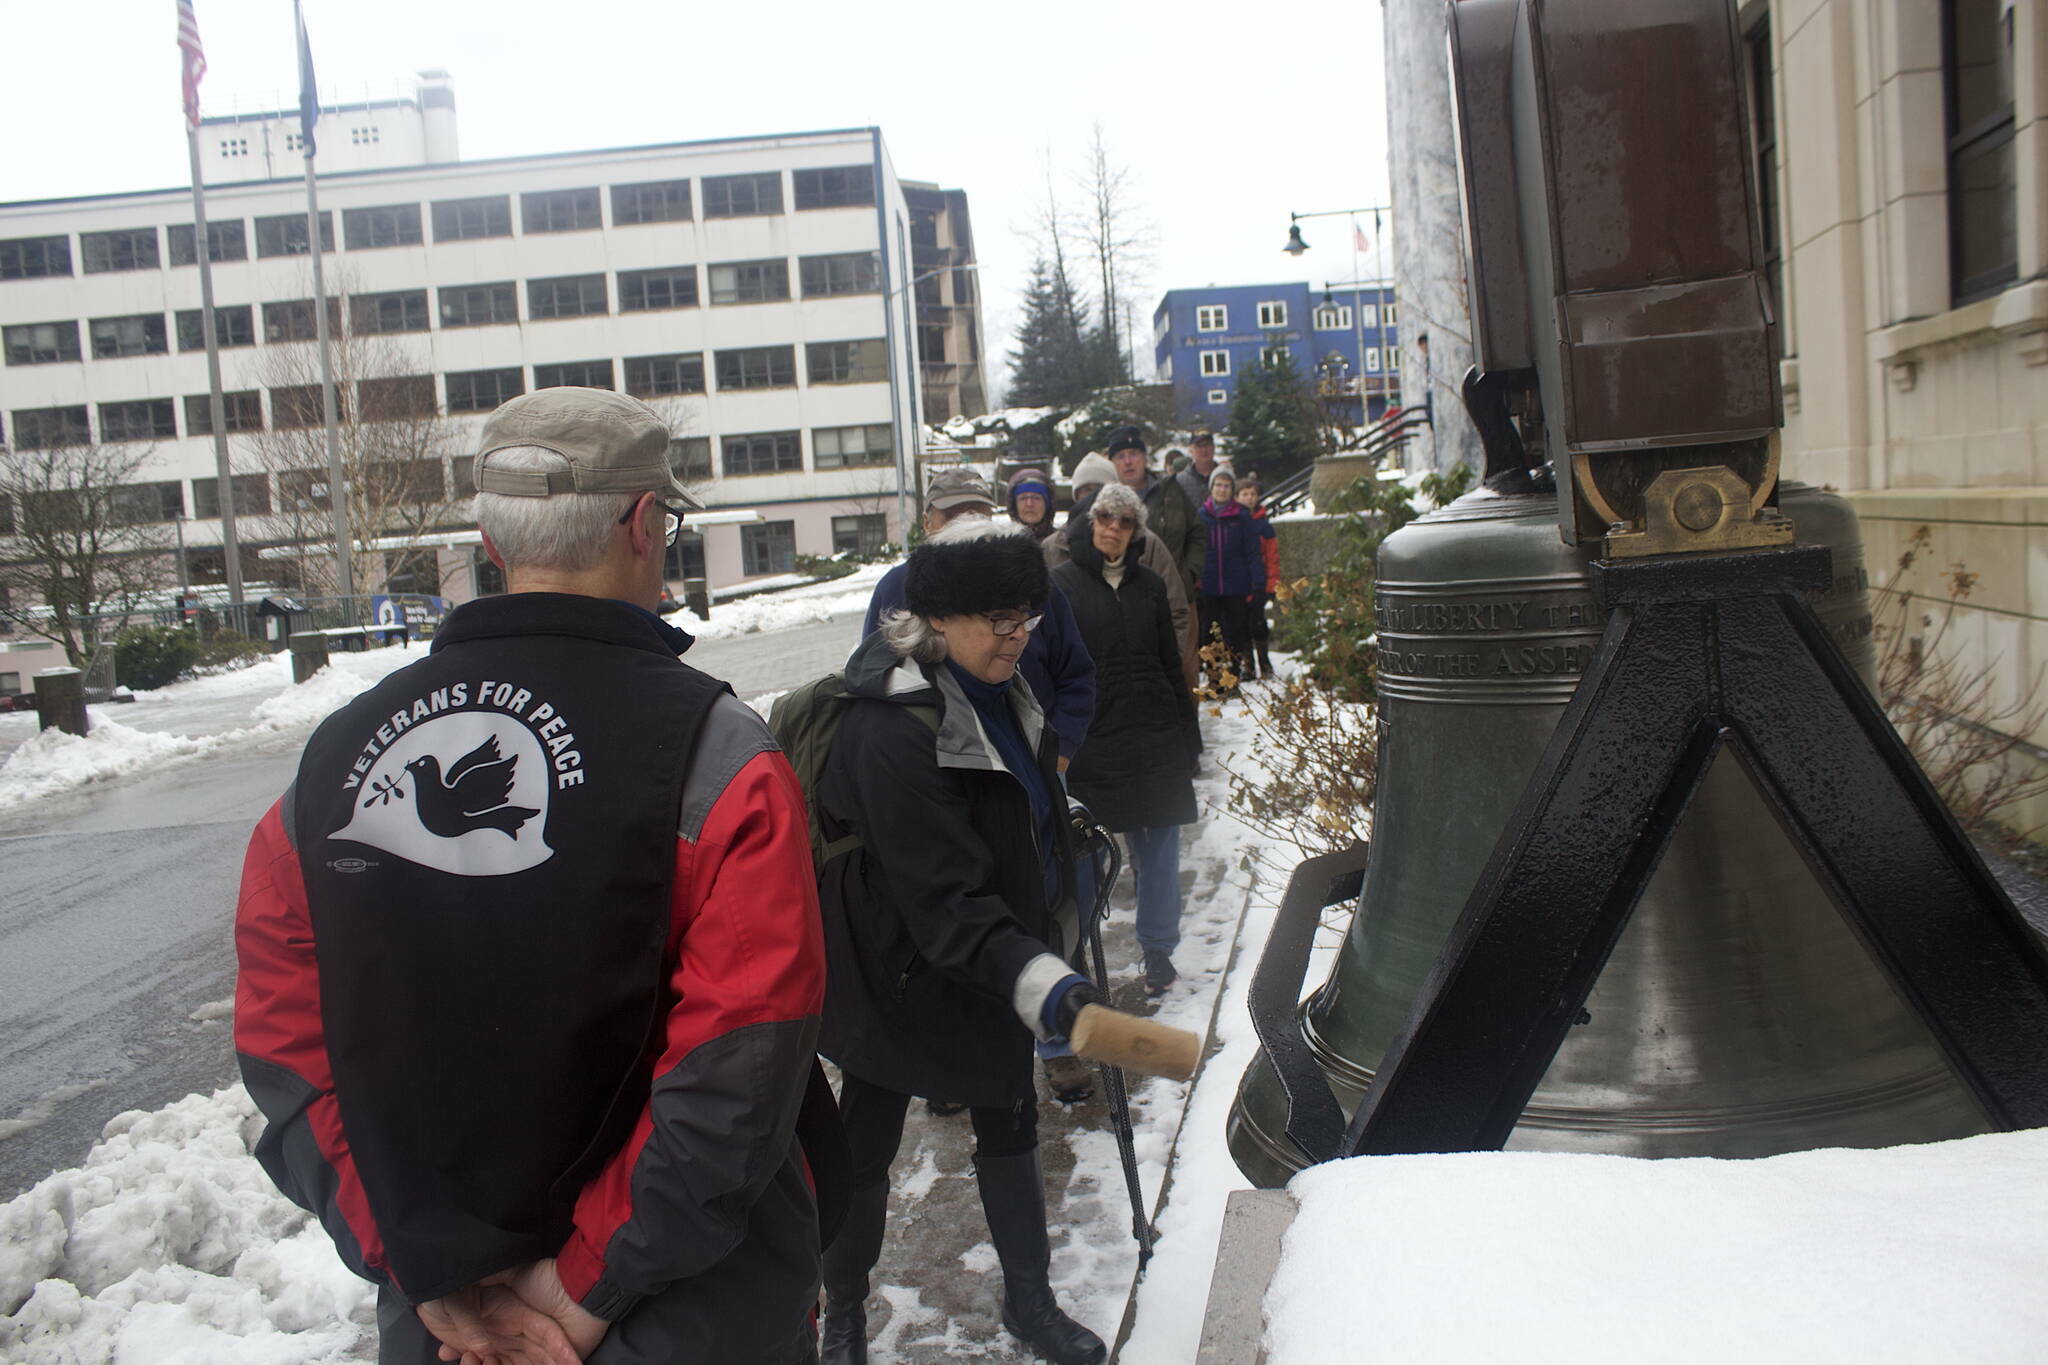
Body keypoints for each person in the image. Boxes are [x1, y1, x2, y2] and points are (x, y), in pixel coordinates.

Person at [234, 388, 832, 1364]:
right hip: (688, 1310)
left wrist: (423, 1269)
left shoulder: (327, 769)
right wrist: (587, 1280)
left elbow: (288, 1050)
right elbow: (743, 1062)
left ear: (492, 541)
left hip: (451, 1331)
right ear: (644, 524)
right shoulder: (718, 758)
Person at [816, 519, 1111, 1365]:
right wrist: (1043, 978)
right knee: (866, 1144)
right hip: (898, 967)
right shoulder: (890, 729)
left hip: (991, 951)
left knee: (1009, 1117)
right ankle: (843, 1313)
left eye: (1028, 619)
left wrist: (1063, 848)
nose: (1021, 638)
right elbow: (942, 897)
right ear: (938, 620)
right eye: (1001, 622)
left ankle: (1030, 1299)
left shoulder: (1000, 691)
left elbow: (1014, 808)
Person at [1050, 484, 1202, 996]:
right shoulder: (1061, 585)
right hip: (1092, 739)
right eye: (1106, 518)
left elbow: (1170, 664)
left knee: (1160, 850)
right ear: (1091, 521)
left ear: (1137, 532)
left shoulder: (1150, 585)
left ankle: (1158, 951)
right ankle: (1079, 953)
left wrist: (1188, 736)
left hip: (1154, 736)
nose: (1113, 528)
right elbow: (1052, 671)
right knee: (1086, 857)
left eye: (1125, 521)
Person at [866, 468, 1095, 775]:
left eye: (976, 514)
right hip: (942, 769)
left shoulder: (1032, 584)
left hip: (1032, 760)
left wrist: (1060, 749)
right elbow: (874, 680)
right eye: (953, 516)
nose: (965, 525)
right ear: (926, 522)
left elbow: (1076, 674)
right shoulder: (896, 587)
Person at [1051, 454, 1198, 691]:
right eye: (1085, 490)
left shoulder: (1149, 553)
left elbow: (1176, 613)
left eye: (1099, 489)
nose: (1114, 526)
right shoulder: (1054, 552)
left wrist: (1160, 675)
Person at [1105, 425, 1203, 597]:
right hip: (1124, 598)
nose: (1128, 461)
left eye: (1133, 454)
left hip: (1174, 594)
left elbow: (1197, 532)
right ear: (1112, 463)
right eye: (1120, 456)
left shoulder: (1171, 491)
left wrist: (1189, 574)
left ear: (1144, 458)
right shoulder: (1104, 503)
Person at [1196, 468, 1271, 690]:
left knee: (1236, 633)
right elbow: (1195, 550)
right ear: (1211, 488)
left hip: (1236, 585)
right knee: (1210, 634)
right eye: (1218, 485)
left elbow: (1252, 552)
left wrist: (1258, 584)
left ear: (1232, 490)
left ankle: (1233, 677)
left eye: (1226, 486)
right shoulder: (1201, 516)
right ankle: (1214, 678)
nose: (1222, 490)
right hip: (1208, 585)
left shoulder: (1242, 516)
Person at [1237, 474, 1281, 679]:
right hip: (1238, 582)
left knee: (1258, 623)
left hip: (1259, 582)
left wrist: (1272, 585)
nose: (1249, 498)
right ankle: (1248, 664)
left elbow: (1272, 557)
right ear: (1237, 497)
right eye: (1245, 494)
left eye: (1252, 494)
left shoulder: (1264, 526)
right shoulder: (1233, 523)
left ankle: (1264, 661)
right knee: (1241, 625)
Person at [1174, 432, 1227, 509]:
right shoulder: (1180, 480)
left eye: (1208, 445)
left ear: (1214, 447)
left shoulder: (1226, 476)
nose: (1204, 450)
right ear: (1190, 449)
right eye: (1199, 446)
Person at [1007, 466, 1058, 544]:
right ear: (1014, 505)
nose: (1029, 504)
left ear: (1048, 505)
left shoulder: (1061, 543)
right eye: (1023, 498)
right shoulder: (1003, 544)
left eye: (1036, 498)